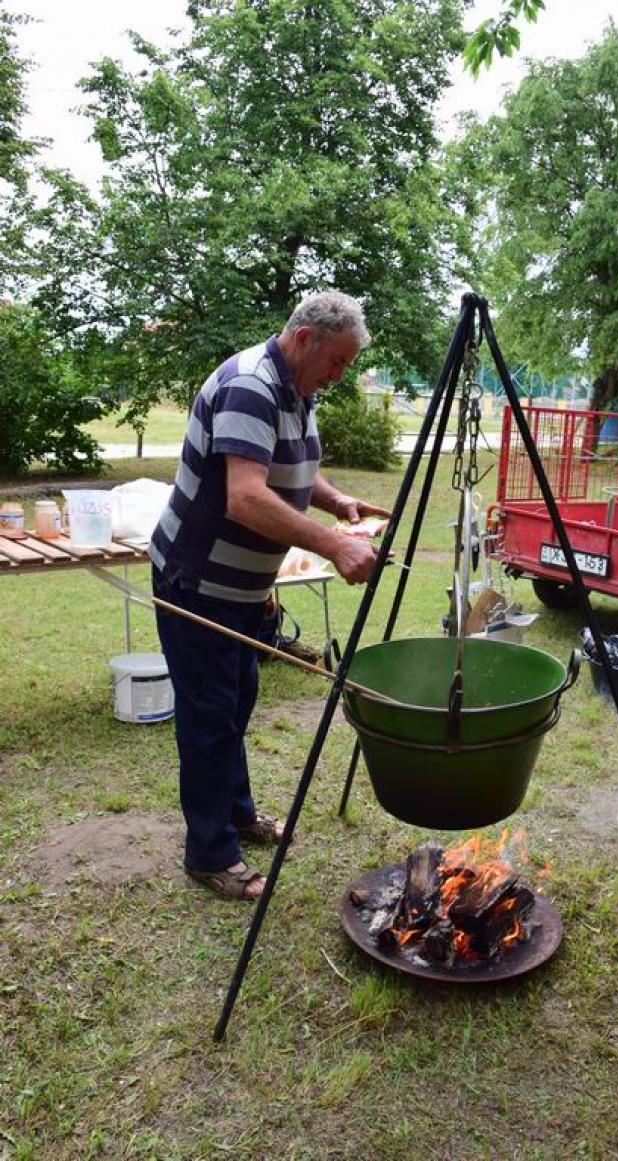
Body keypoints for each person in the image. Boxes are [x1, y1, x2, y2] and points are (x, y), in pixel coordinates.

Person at [149, 291, 391, 901]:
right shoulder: (251, 386)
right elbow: (246, 497)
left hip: (242, 590)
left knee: (235, 704)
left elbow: (292, 468)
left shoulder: (295, 390)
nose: (340, 376)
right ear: (305, 337)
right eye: (337, 361)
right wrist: (336, 546)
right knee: (208, 718)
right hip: (196, 583)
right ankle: (209, 853)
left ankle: (237, 815)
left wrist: (336, 502)